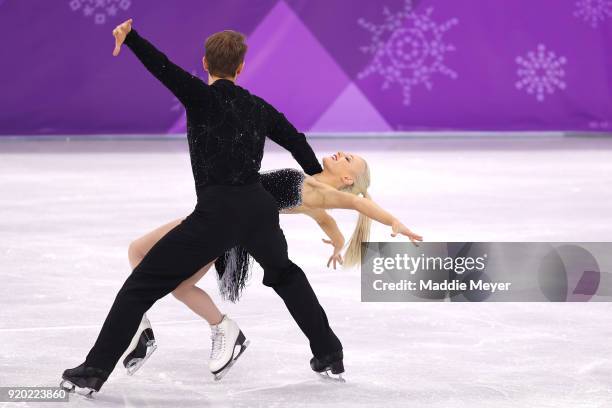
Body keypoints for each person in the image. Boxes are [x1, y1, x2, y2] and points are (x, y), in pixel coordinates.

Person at [59, 18, 343, 396]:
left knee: (140, 287)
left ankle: (92, 371)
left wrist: (131, 38)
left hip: (218, 213)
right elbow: (296, 139)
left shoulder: (199, 95)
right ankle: (330, 354)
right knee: (286, 275)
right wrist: (315, 174)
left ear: (205, 64)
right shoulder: (258, 107)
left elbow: (161, 67)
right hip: (259, 209)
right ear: (241, 68)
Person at [124, 154, 423, 378]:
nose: (340, 154)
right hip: (224, 223)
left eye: (347, 159)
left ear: (347, 179)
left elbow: (358, 205)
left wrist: (394, 222)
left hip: (217, 225)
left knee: (147, 259)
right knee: (170, 276)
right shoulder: (315, 193)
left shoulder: (314, 191)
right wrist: (337, 244)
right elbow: (327, 221)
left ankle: (184, 327)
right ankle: (171, 327)